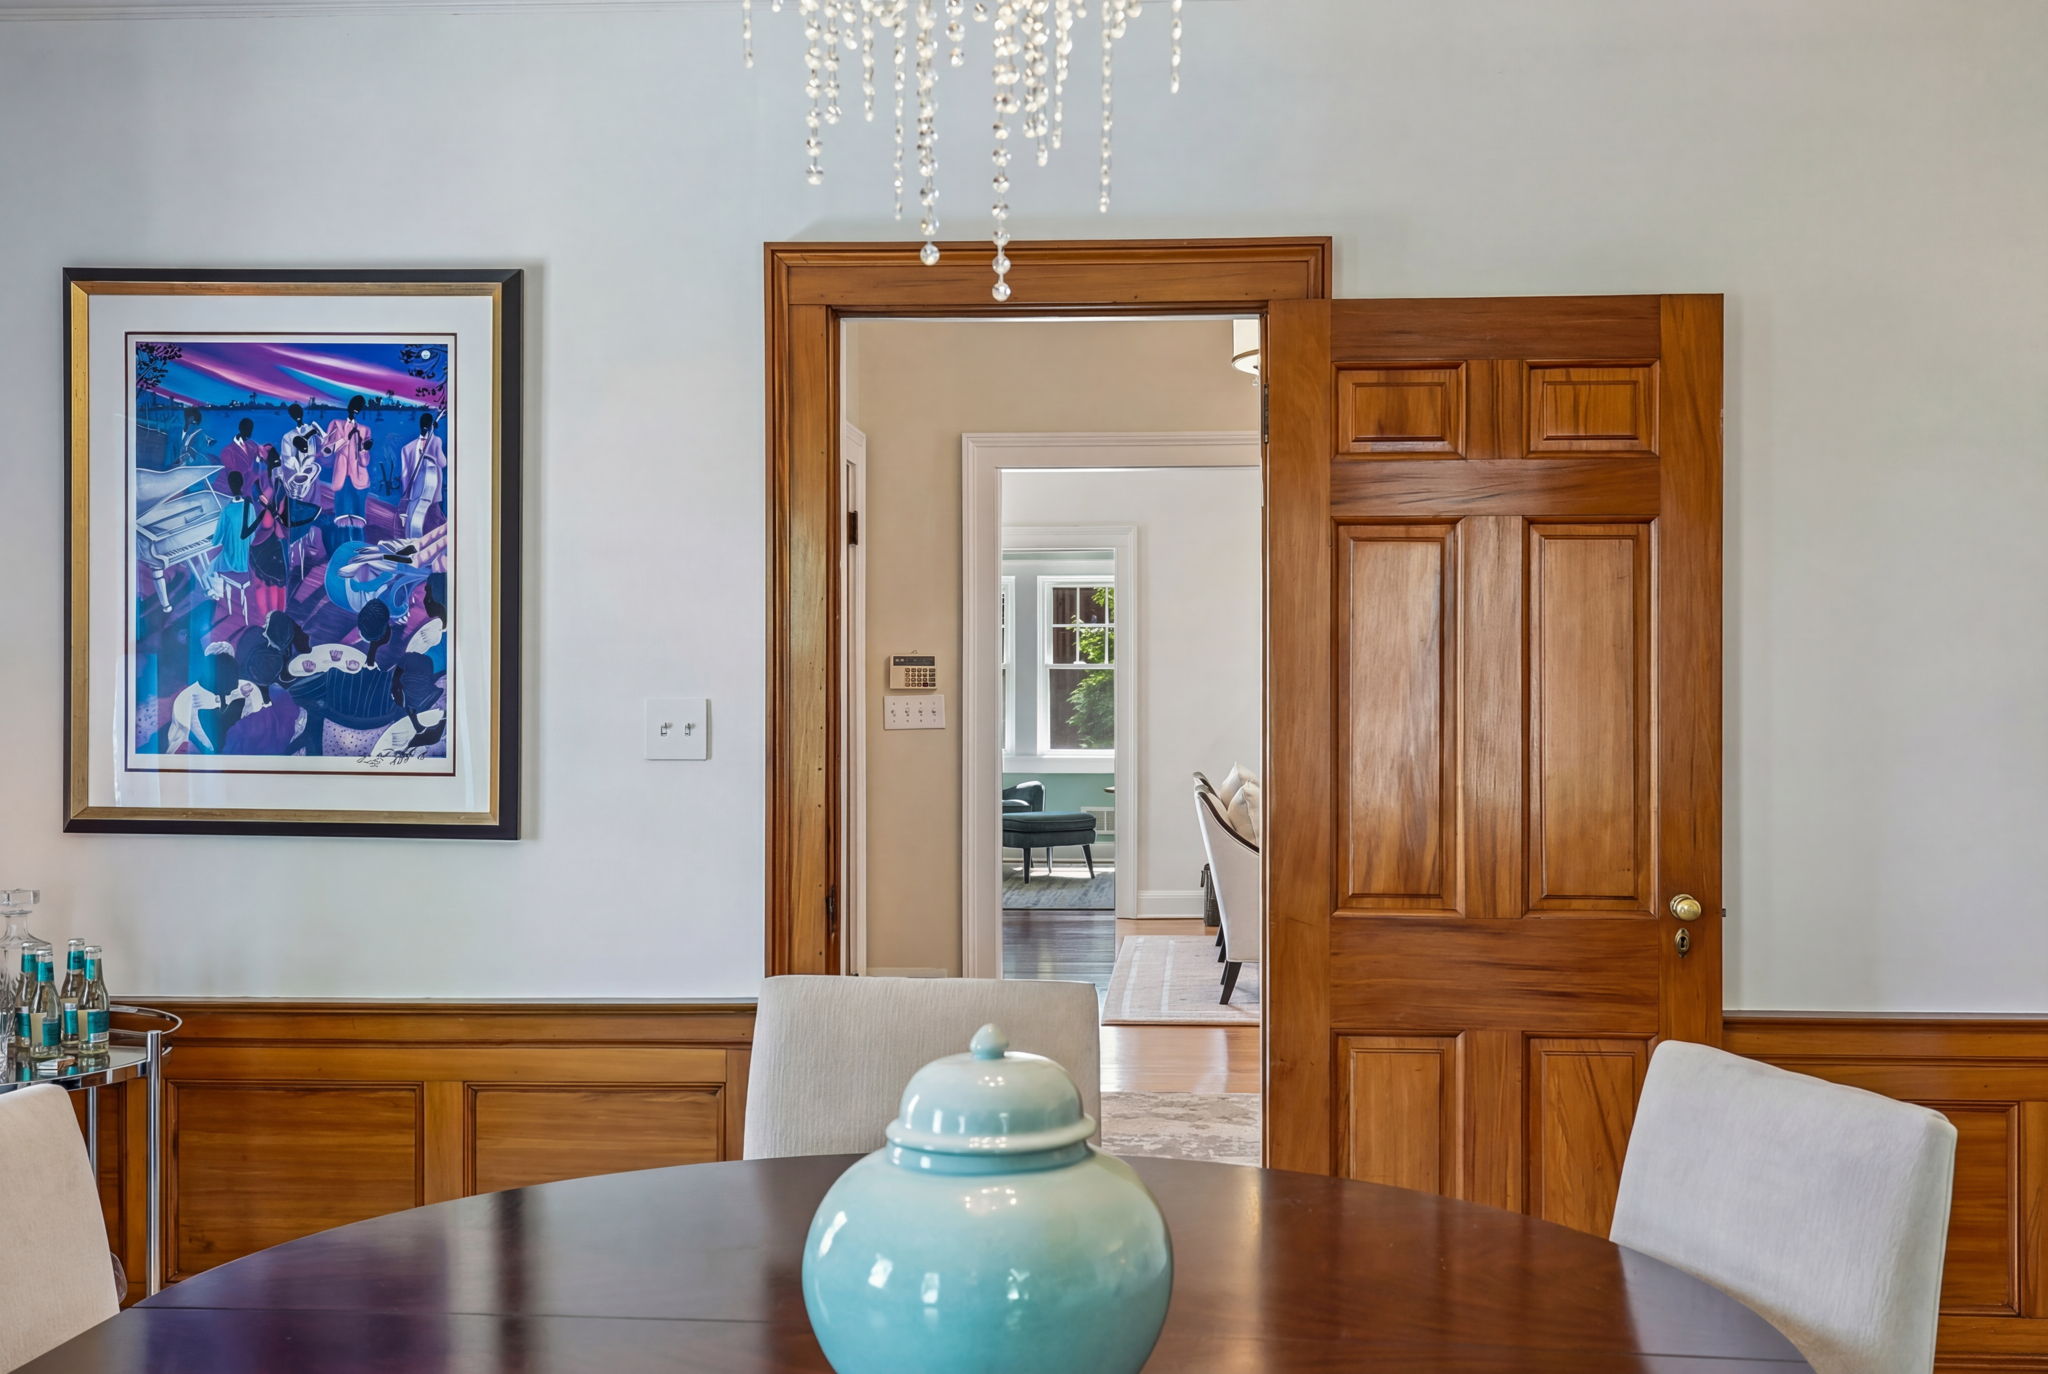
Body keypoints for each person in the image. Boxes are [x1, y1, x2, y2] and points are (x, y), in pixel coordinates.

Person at [322, 395, 374, 534]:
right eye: (354, 406)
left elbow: (364, 462)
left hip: (360, 478)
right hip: (341, 476)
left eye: (359, 407)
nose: (355, 410)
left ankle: (357, 545)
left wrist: (364, 450)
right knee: (340, 516)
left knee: (358, 518)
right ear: (349, 407)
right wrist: (346, 438)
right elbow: (327, 451)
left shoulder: (365, 430)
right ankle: (342, 545)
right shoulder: (336, 424)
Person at [398, 410, 446, 540]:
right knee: (429, 525)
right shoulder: (409, 448)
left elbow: (405, 476)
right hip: (424, 495)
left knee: (429, 523)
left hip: (426, 494)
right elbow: (443, 463)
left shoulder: (433, 442)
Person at [219, 418, 265, 486]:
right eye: (247, 429)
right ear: (240, 428)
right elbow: (231, 474)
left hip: (253, 484)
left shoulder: (253, 444)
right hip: (238, 486)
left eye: (250, 429)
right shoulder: (228, 451)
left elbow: (260, 459)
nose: (249, 431)